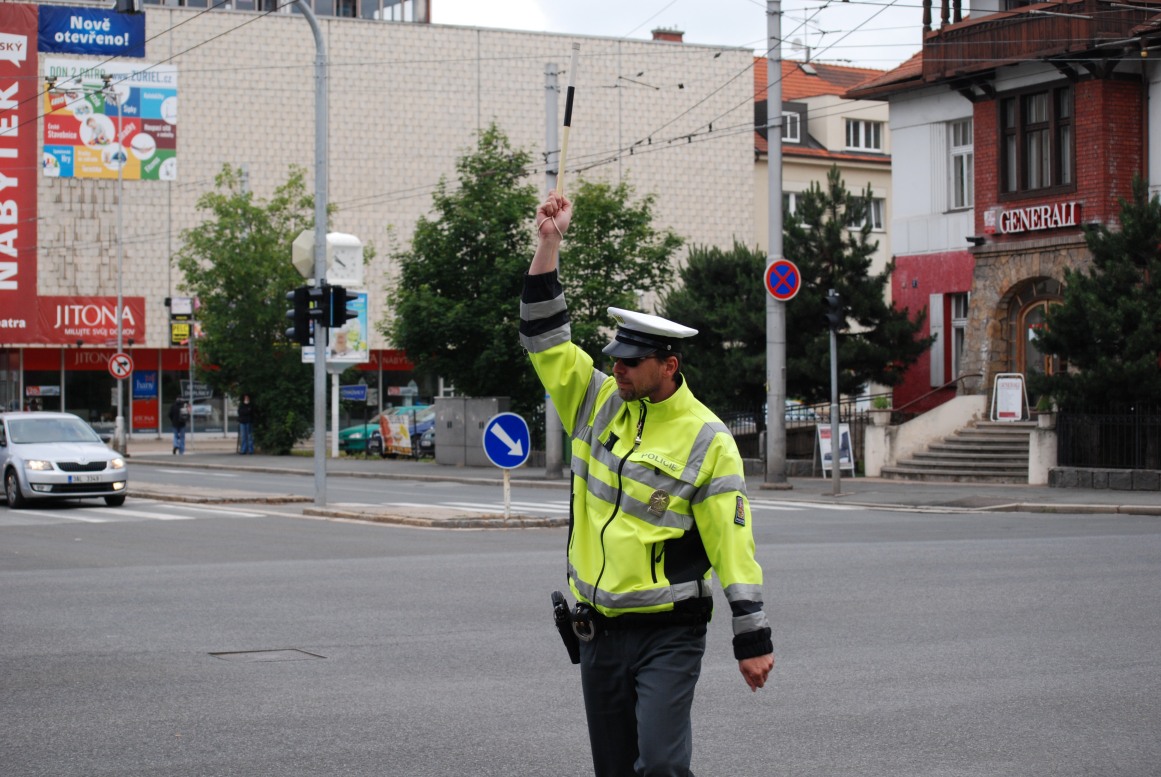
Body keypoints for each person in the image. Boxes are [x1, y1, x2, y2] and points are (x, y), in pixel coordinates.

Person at [520, 191, 774, 777]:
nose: (618, 370)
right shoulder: (595, 399)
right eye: (615, 359)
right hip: (597, 631)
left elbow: (733, 546)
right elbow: (543, 335)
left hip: (668, 632)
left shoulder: (708, 439)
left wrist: (752, 636)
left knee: (659, 764)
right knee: (613, 769)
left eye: (631, 362)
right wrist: (549, 244)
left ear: (669, 366)